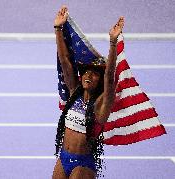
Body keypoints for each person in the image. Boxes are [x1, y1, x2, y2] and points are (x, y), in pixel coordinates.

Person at [52, 6, 125, 179]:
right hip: (63, 159)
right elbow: (65, 62)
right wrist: (58, 29)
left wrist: (113, 43)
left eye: (94, 74)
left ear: (99, 81)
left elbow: (109, 77)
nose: (88, 75)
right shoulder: (74, 93)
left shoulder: (102, 104)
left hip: (82, 163)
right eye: (85, 72)